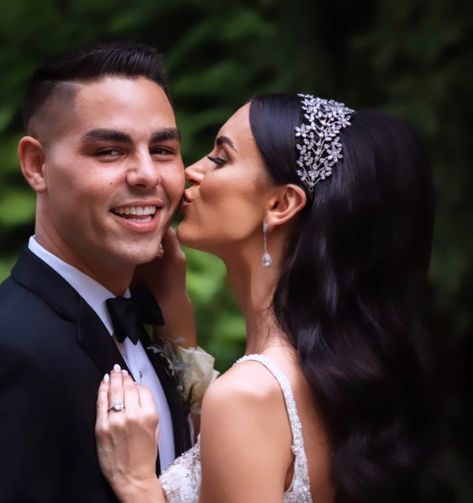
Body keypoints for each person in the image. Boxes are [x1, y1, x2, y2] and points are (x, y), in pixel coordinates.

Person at [95, 93, 434, 502]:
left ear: (281, 203)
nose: (191, 172)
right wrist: (173, 306)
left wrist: (138, 488)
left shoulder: (247, 397)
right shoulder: (326, 372)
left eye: (220, 159)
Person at [0, 42, 194, 503]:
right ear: (36, 164)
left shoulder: (150, 321)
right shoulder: (11, 349)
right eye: (110, 151)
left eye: (163, 149)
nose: (147, 174)